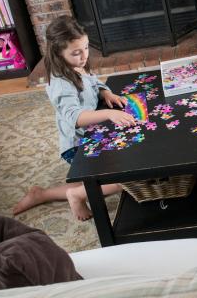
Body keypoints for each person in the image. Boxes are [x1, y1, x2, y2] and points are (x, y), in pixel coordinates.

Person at [13, 16, 136, 221]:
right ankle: (76, 195)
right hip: (77, 144)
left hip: (92, 134)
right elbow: (74, 117)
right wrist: (108, 113)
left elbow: (94, 83)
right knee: (127, 175)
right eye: (76, 52)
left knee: (99, 179)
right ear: (58, 54)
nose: (84, 56)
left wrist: (106, 93)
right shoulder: (60, 83)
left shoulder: (78, 65)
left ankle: (41, 194)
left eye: (86, 48)